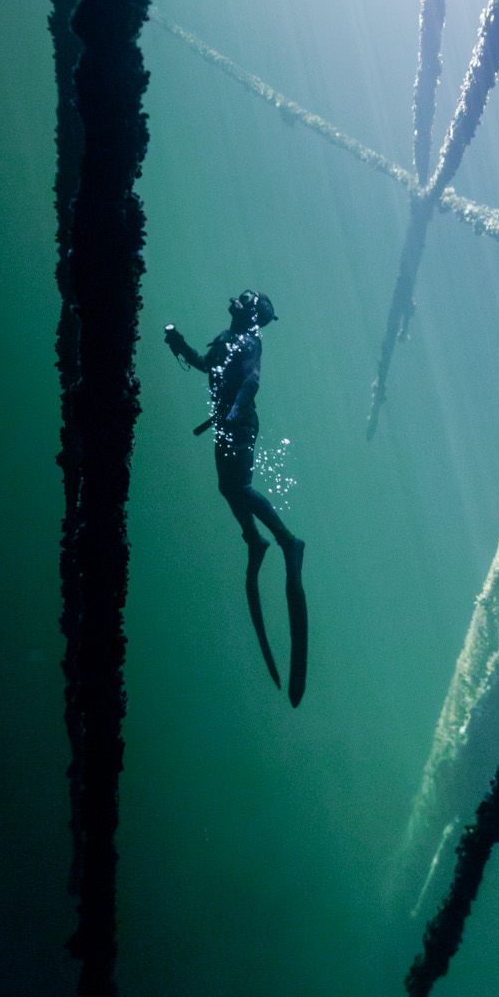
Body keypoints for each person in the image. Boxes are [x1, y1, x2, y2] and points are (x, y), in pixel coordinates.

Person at [166, 290, 307, 706]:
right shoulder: (228, 338)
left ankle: (286, 540)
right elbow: (205, 364)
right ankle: (255, 539)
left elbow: (252, 379)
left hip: (239, 425)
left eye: (246, 301)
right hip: (227, 424)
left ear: (253, 314)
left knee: (240, 487)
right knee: (226, 487)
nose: (238, 302)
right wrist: (179, 344)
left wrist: (235, 409)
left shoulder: (249, 342)